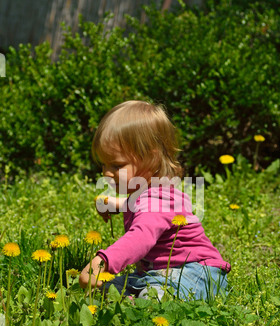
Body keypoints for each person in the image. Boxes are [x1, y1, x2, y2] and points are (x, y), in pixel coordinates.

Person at [79, 100, 231, 300]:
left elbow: (140, 237)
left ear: (151, 159)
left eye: (116, 166)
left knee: (155, 297)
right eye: (103, 164)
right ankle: (131, 302)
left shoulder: (157, 199)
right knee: (108, 287)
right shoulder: (148, 194)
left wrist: (103, 261)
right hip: (158, 274)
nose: (106, 173)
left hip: (197, 272)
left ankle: (141, 305)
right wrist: (117, 205)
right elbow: (143, 209)